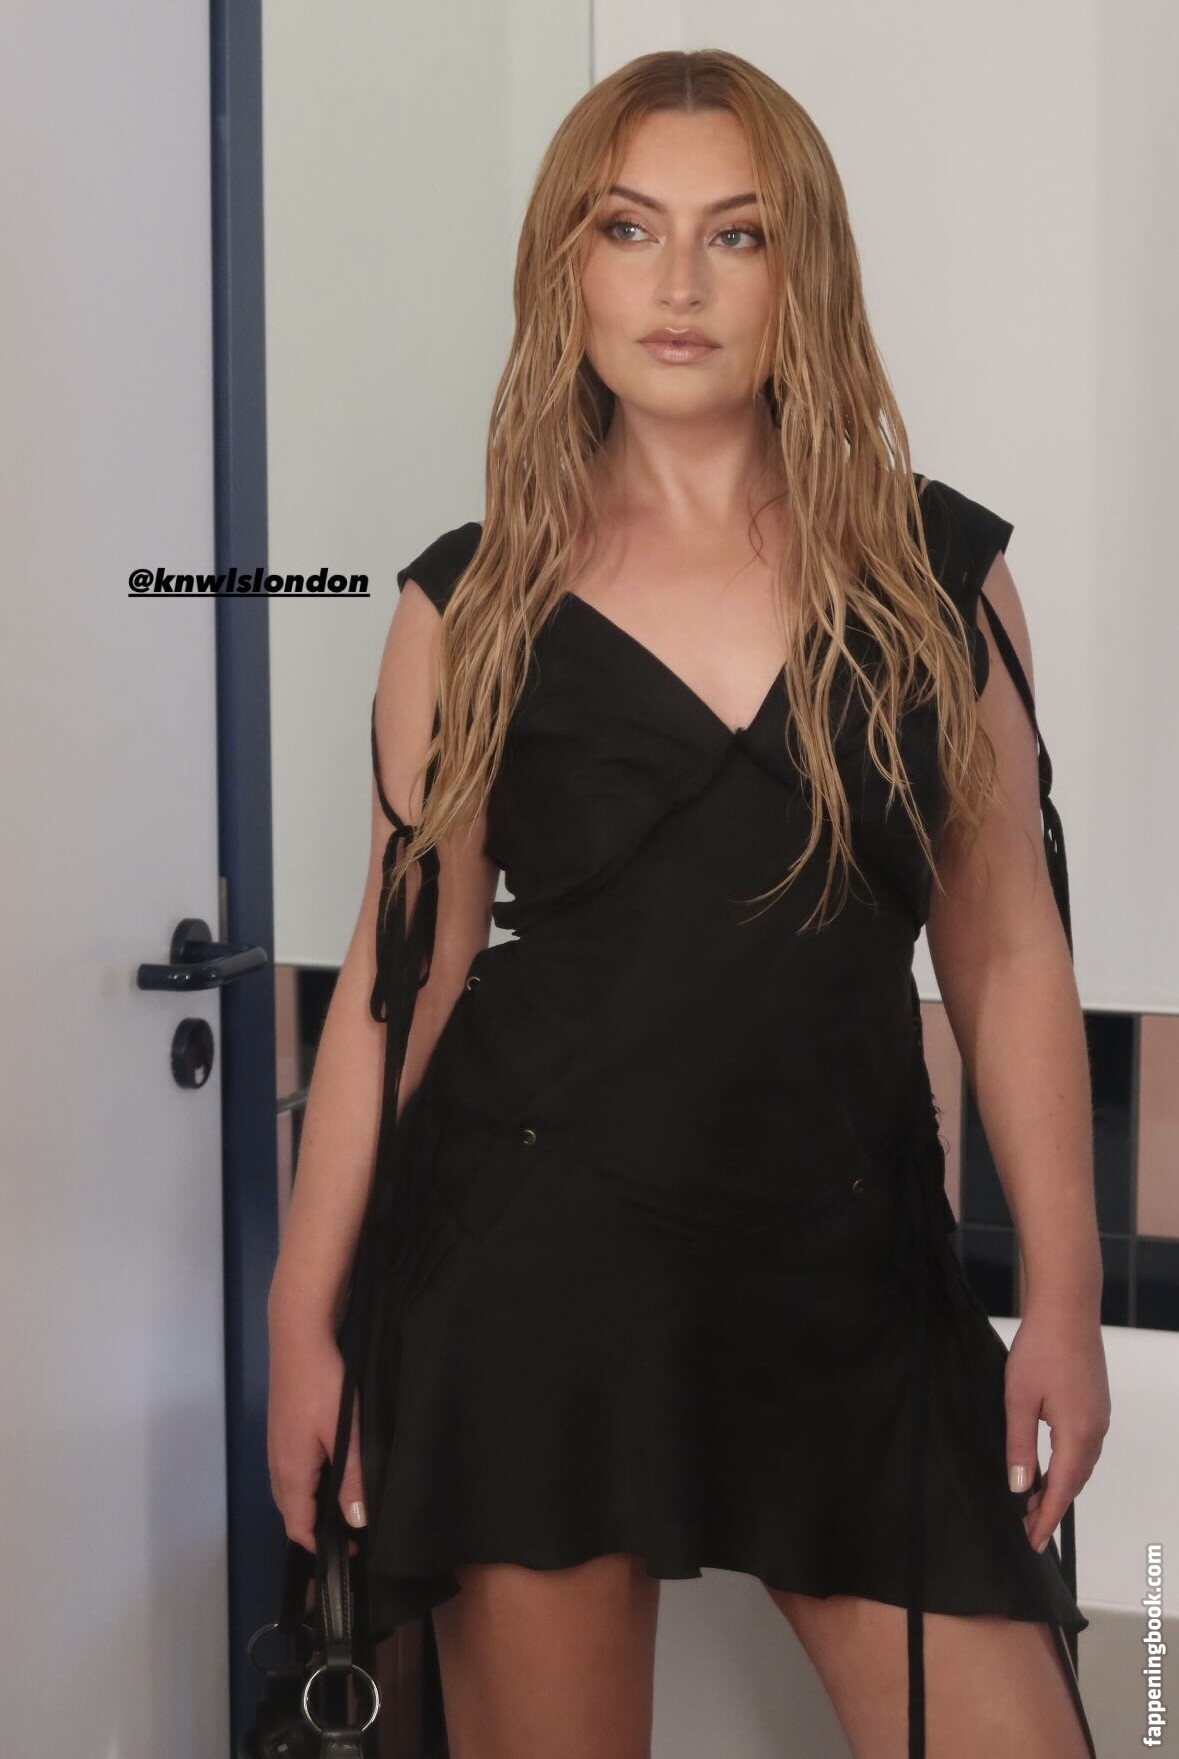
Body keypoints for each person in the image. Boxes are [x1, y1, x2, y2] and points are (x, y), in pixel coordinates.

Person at [266, 48, 1109, 1759]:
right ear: (565, 267)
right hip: (536, 1281)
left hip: (854, 1280)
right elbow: (399, 980)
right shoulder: (472, 605)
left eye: (737, 235)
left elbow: (1008, 948)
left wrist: (1069, 1296)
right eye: (628, 227)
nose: (678, 284)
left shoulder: (938, 578)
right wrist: (302, 1321)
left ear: (805, 273)